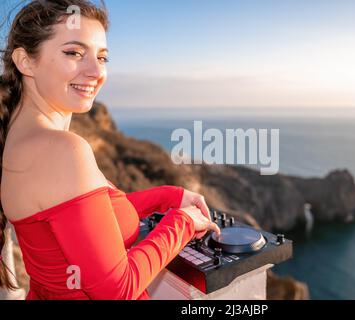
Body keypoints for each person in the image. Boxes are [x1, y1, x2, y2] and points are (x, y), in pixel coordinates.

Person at [0, 0, 220, 300]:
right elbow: (116, 290)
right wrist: (182, 222)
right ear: (26, 61)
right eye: (74, 53)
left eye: (102, 57)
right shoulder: (60, 149)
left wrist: (170, 196)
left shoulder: (22, 138)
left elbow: (87, 218)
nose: (95, 72)